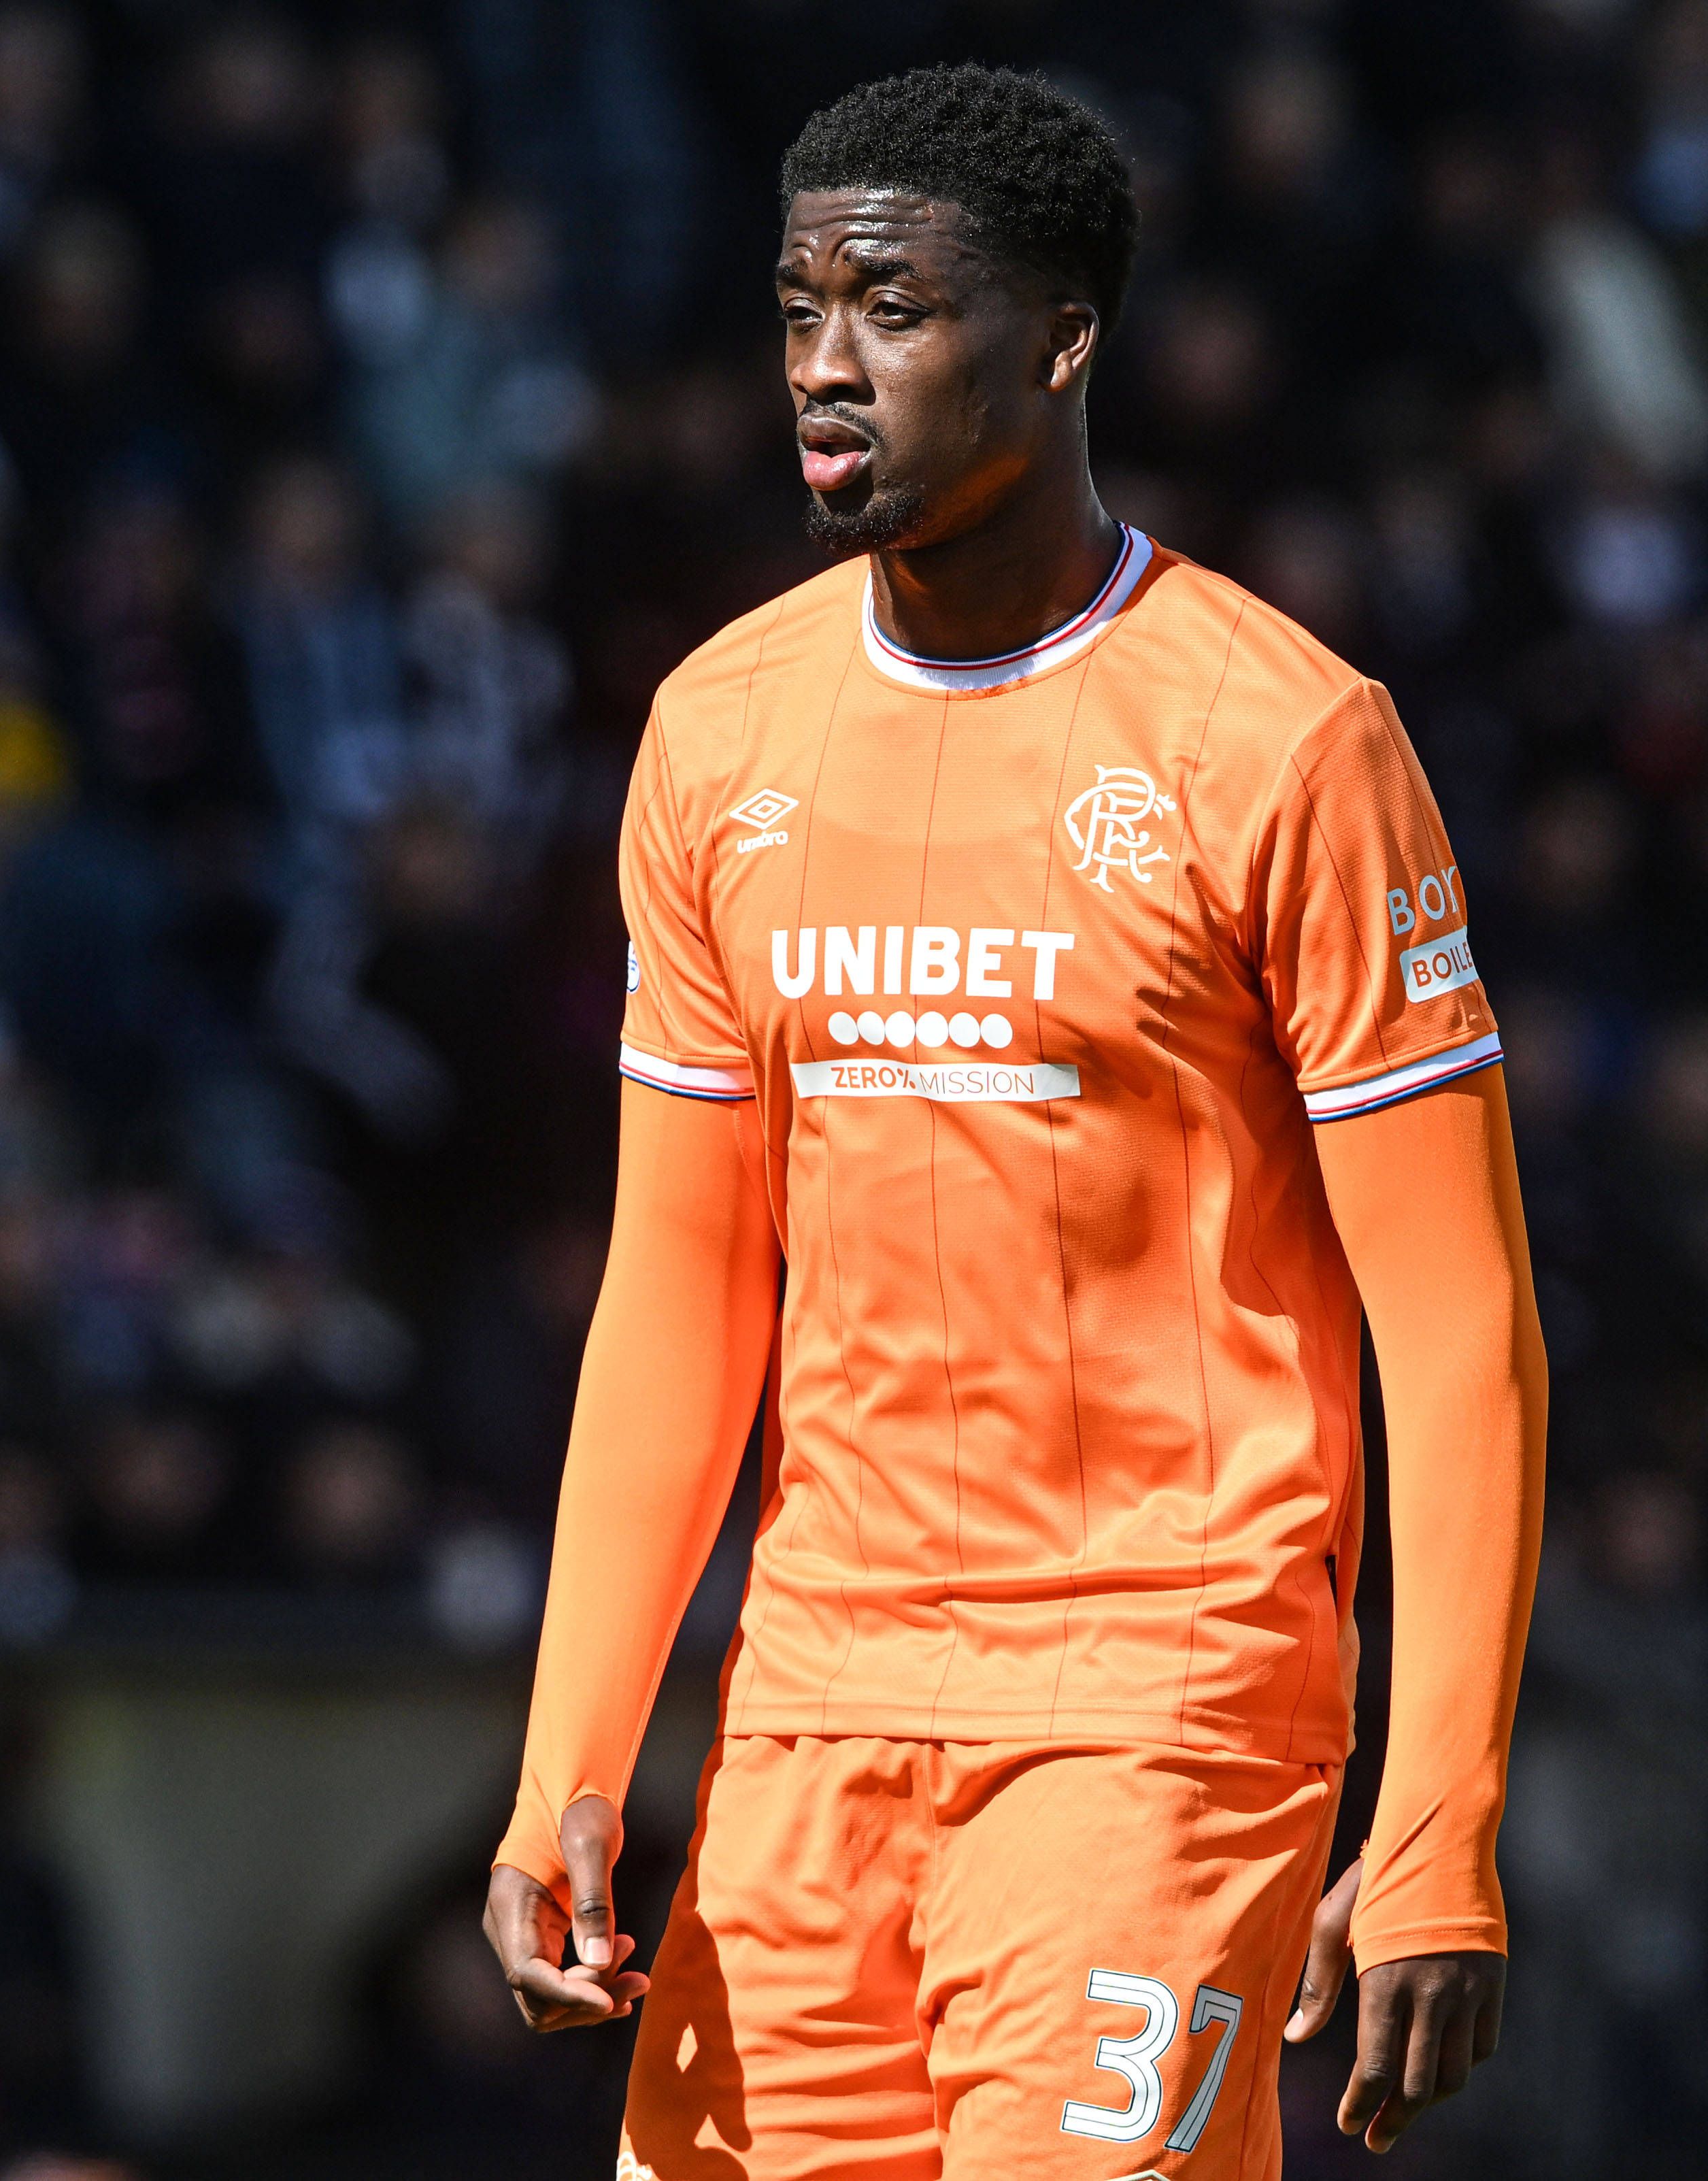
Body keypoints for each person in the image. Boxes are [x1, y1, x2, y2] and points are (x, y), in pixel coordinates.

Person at [482, 66, 1546, 2178]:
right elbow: (686, 1285)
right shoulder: (718, 733)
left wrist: (1436, 1817)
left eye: (891, 308)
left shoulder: (1289, 746)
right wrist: (569, 1758)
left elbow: (1463, 1325)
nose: (823, 368)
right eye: (797, 310)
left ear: (1062, 339)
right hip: (813, 1710)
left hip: (1161, 1702)